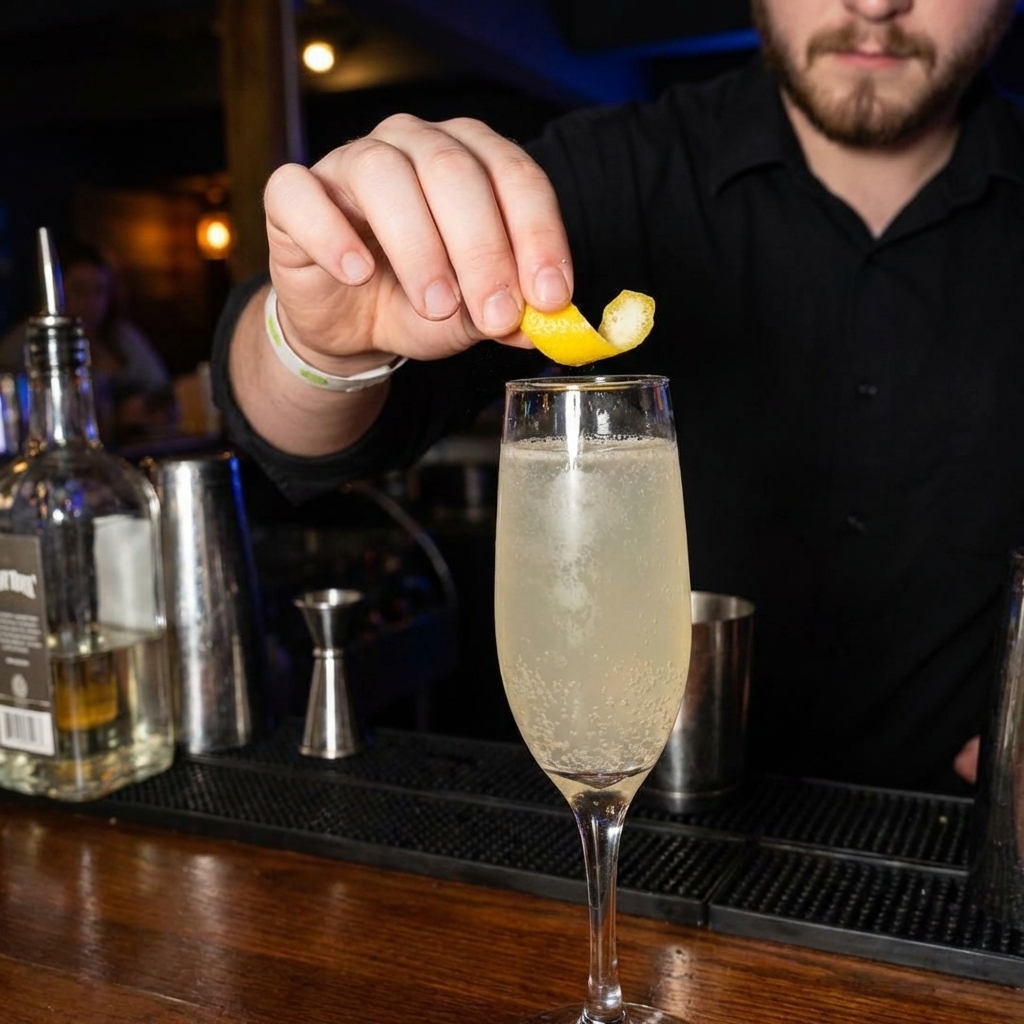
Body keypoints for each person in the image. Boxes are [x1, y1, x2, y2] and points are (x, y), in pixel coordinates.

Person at [212, 0, 1024, 794]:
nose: (876, 3)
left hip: (963, 836)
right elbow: (297, 442)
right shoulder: (607, 171)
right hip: (624, 820)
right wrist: (317, 338)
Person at [0, 240, 175, 444]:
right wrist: (112, 418)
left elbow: (163, 390)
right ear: (55, 294)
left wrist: (148, 409)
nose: (91, 303)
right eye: (79, 291)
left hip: (133, 452)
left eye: (99, 291)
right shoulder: (27, 341)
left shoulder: (122, 337)